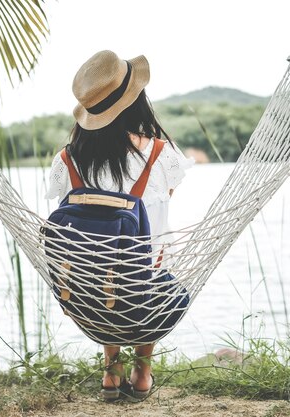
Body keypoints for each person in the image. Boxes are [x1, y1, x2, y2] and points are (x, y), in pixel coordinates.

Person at [45, 50, 193, 399]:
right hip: (145, 293)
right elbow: (165, 203)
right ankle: (143, 371)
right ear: (136, 103)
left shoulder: (65, 161)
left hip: (87, 296)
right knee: (150, 265)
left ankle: (112, 372)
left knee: (103, 260)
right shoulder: (161, 154)